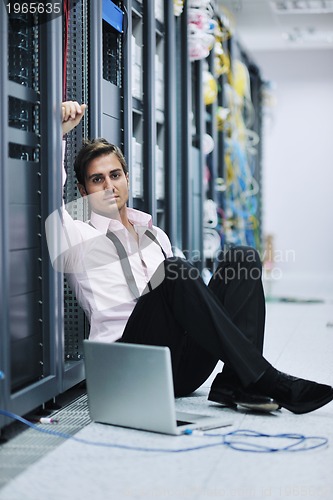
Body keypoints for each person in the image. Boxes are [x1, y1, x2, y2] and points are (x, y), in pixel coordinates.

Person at [45, 100, 333, 415]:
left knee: (242, 259)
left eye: (115, 175)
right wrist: (57, 134)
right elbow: (49, 200)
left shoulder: (155, 235)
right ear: (83, 192)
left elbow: (191, 301)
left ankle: (237, 381)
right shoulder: (78, 235)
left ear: (128, 178)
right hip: (132, 364)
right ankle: (265, 377)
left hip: (183, 369)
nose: (109, 185)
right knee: (173, 271)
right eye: (97, 180)